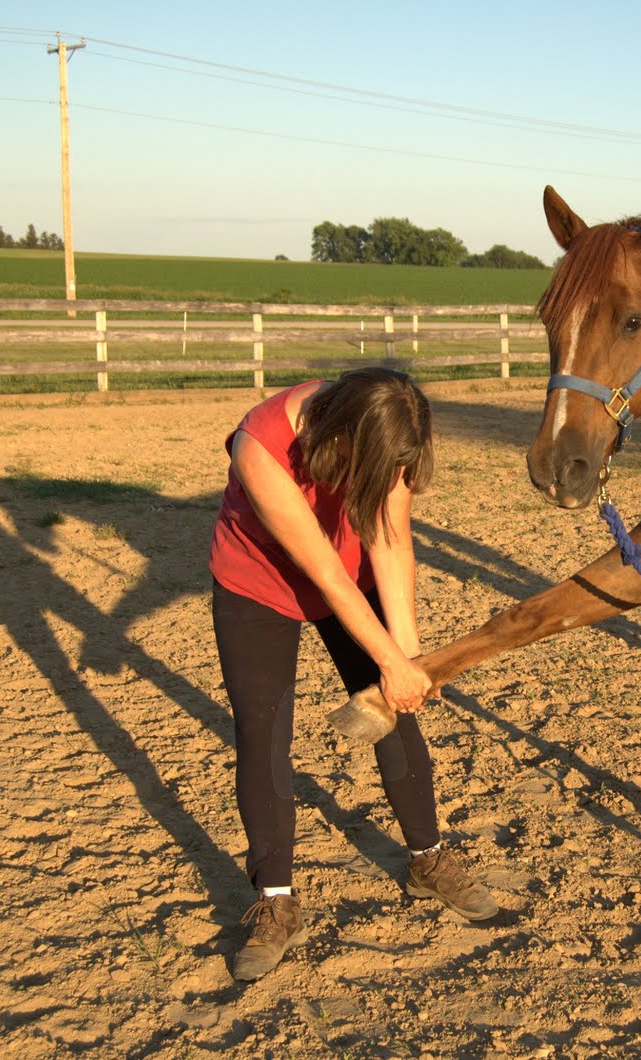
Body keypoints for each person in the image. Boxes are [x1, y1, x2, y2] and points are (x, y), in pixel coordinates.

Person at [209, 366, 497, 982]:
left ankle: (427, 860)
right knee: (263, 739)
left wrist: (412, 661)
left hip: (349, 580)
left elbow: (391, 541)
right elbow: (326, 576)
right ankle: (277, 903)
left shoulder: (389, 434)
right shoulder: (260, 444)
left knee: (396, 713)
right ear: (340, 437)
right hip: (257, 586)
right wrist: (393, 663)